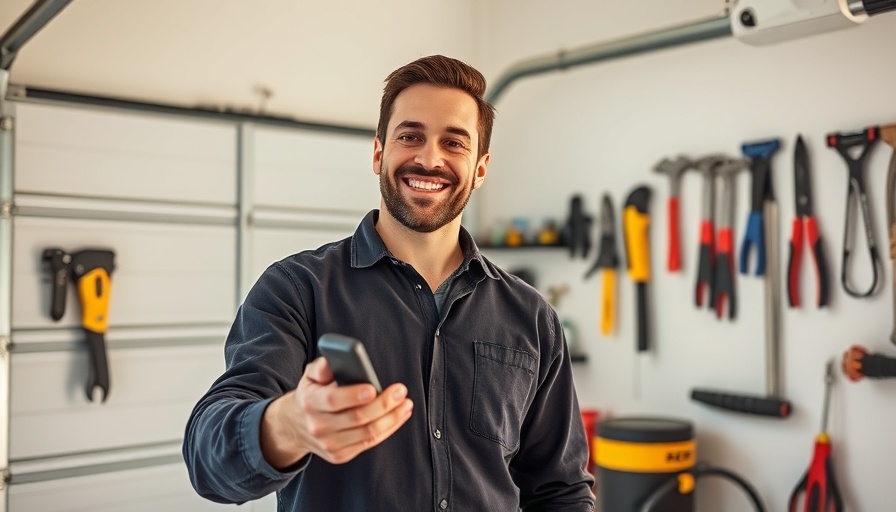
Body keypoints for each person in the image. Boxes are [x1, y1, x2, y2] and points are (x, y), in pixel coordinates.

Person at [183, 54, 595, 511]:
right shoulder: (296, 289)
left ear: (480, 167)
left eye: (454, 143)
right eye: (410, 136)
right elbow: (208, 461)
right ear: (379, 152)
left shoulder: (531, 317)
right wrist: (289, 426)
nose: (429, 158)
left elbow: (560, 490)